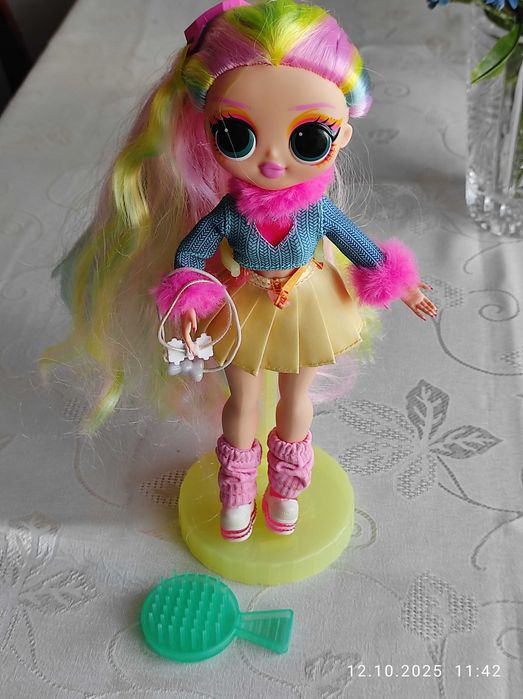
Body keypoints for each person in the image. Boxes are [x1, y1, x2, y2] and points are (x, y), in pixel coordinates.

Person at [46, 0, 437, 543]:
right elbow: (190, 253)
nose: (273, 161)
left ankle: (287, 489)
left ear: (341, 137)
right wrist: (187, 300)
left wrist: (402, 283)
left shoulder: (316, 211)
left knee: (295, 401)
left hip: (308, 306)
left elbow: (359, 246)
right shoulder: (230, 214)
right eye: (237, 135)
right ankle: (236, 490)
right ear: (206, 131)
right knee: (243, 402)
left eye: (308, 139)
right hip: (244, 308)